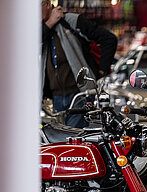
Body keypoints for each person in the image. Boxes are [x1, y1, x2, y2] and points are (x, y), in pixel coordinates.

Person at [41, 0, 117, 128]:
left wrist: (101, 71)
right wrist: (50, 23)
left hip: (79, 94)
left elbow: (109, 39)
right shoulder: (41, 29)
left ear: (47, 4)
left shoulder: (70, 20)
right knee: (61, 140)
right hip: (56, 98)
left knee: (72, 138)